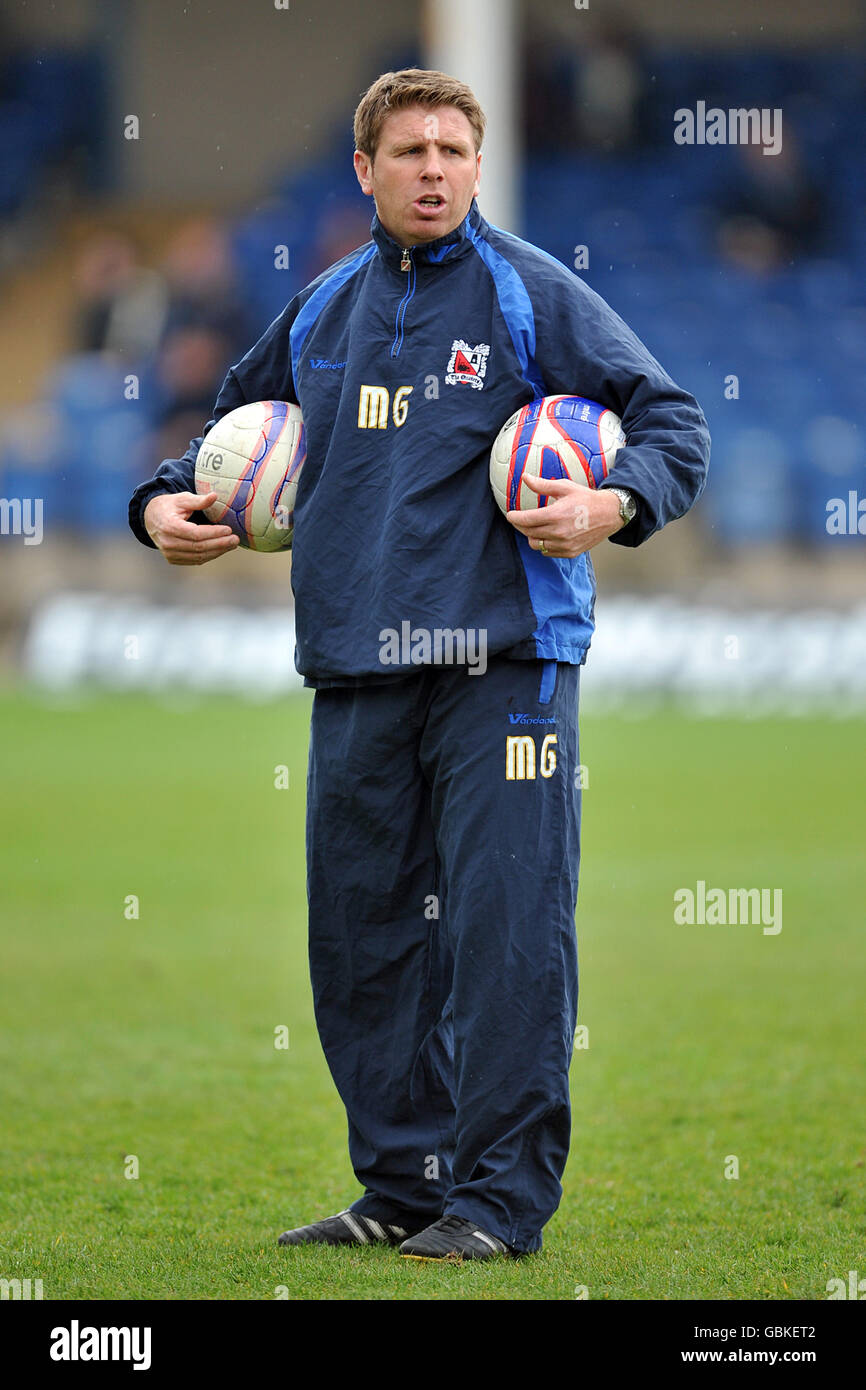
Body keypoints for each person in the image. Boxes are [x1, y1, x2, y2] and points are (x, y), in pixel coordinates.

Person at [128, 69, 710, 1261]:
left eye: (452, 148)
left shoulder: (529, 293)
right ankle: (401, 1184)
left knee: (505, 936)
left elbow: (673, 425)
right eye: (408, 151)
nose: (432, 167)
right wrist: (158, 509)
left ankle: (498, 1204)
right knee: (361, 941)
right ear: (365, 170)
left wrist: (608, 503)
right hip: (355, 664)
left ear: (477, 167)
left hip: (504, 665)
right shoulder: (323, 311)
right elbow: (214, 440)